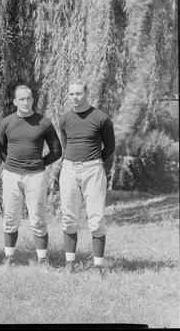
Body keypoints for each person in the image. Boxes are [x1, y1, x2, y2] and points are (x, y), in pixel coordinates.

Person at [0, 85, 62, 266]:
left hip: (36, 176)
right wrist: (12, 164)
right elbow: (0, 149)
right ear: (15, 101)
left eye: (29, 98)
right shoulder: (7, 122)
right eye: (22, 99)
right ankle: (9, 258)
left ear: (33, 100)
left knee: (38, 218)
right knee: (10, 217)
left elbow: (56, 150)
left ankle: (42, 259)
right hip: (11, 175)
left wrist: (39, 163)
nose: (25, 102)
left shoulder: (44, 123)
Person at [59, 79, 115, 274]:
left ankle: (98, 266)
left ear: (86, 94)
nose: (75, 97)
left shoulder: (101, 118)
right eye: (71, 94)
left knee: (97, 218)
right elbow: (66, 144)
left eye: (78, 93)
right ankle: (70, 264)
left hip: (93, 169)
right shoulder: (65, 118)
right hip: (69, 169)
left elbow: (110, 147)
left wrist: (96, 164)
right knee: (68, 217)